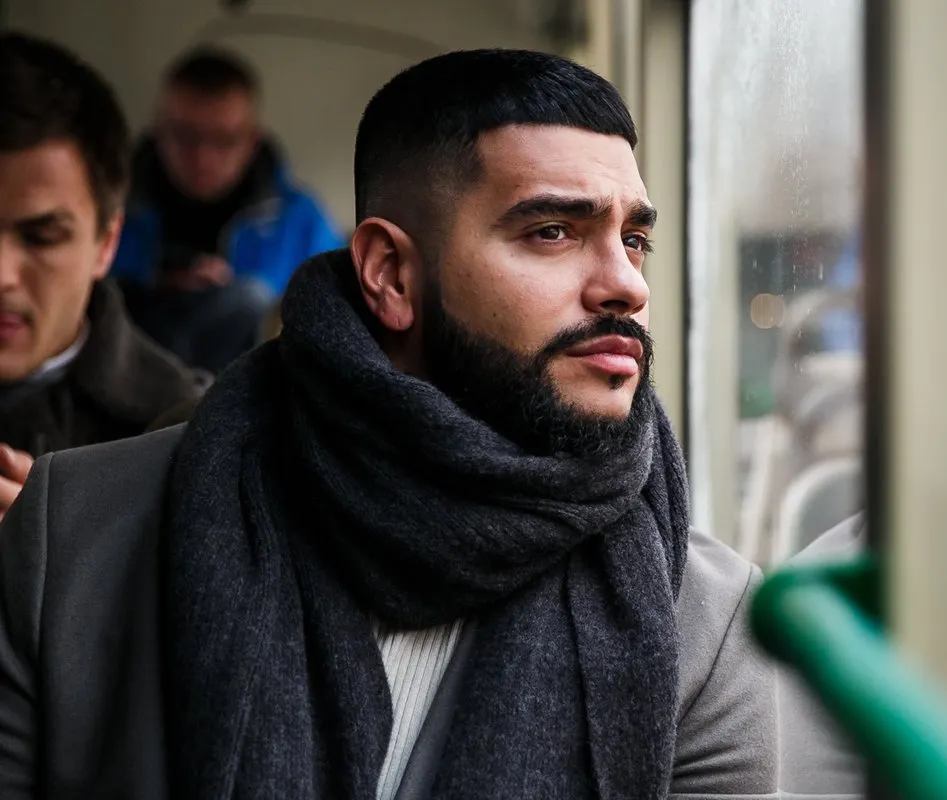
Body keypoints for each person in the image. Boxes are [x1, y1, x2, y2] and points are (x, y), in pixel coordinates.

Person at [0, 50, 860, 799]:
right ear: (391, 274)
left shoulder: (707, 624)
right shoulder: (78, 534)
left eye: (634, 239)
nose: (625, 285)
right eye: (553, 231)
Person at [0, 34, 208, 522]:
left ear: (107, 243)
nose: (2, 275)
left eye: (42, 237)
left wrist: (79, 554)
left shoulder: (184, 434)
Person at [111, 46, 343, 373]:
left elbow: (342, 324)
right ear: (159, 130)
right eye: (185, 136)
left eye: (224, 141)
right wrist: (149, 289)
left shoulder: (301, 223)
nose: (203, 158)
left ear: (252, 142)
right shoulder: (110, 210)